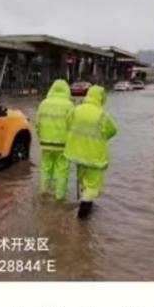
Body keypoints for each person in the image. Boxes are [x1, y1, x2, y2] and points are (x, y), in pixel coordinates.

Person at [64, 85, 118, 217]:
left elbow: (68, 124)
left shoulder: (76, 110)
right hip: (94, 156)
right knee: (93, 186)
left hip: (77, 154)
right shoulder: (102, 114)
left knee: (83, 181)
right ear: (101, 98)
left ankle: (83, 202)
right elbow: (113, 130)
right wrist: (101, 137)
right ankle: (82, 217)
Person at [36, 79, 75, 201]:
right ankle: (60, 197)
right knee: (62, 172)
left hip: (45, 144)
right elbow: (73, 127)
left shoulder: (43, 103)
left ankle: (44, 191)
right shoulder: (69, 105)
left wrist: (41, 138)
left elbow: (38, 124)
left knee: (45, 168)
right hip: (63, 145)